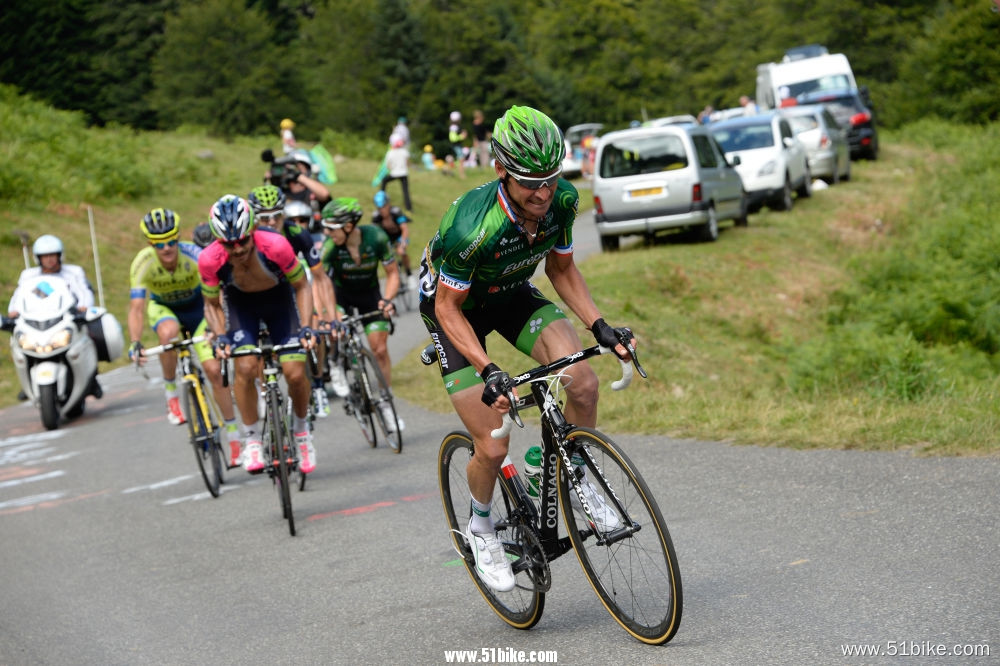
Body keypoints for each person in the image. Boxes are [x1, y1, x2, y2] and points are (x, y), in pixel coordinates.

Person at [417, 105, 637, 593]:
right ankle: (480, 528)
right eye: (528, 182)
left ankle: (577, 477)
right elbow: (449, 309)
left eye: (550, 179)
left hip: (511, 293)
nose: (542, 193)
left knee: (582, 380)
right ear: (500, 171)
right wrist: (489, 367)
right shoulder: (471, 228)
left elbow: (561, 271)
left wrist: (599, 325)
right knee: (493, 445)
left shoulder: (561, 201)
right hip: (455, 312)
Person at [198, 195, 318, 475]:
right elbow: (212, 304)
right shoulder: (209, 259)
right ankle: (251, 438)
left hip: (280, 303)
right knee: (246, 366)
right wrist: (220, 336)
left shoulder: (276, 244)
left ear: (252, 231)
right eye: (230, 244)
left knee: (295, 373)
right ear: (218, 242)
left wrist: (306, 326)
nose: (238, 249)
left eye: (243, 241)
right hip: (242, 308)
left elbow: (302, 286)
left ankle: (301, 432)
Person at [127, 209, 242, 462]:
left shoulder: (195, 255)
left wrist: (218, 329)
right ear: (150, 244)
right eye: (159, 244)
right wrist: (135, 341)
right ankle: (171, 395)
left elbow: (216, 296)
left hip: (198, 311)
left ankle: (234, 437)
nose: (167, 248)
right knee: (167, 334)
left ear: (179, 238)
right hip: (165, 309)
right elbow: (137, 307)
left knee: (214, 370)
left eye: (171, 241)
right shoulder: (143, 263)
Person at [247, 184, 339, 417]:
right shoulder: (249, 242)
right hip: (266, 295)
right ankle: (264, 391)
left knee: (315, 331)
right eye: (263, 218)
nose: (271, 223)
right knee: (260, 345)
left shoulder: (298, 234)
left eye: (277, 216)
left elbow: (319, 278)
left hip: (297, 290)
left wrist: (329, 314)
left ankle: (317, 384)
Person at [319, 198, 402, 430]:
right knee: (336, 330)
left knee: (380, 348)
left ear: (348, 226)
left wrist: (387, 300)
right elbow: (321, 282)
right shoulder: (329, 246)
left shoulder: (376, 237)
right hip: (340, 296)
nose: (327, 233)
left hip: (369, 294)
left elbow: (393, 273)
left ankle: (385, 401)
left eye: (331, 228)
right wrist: (330, 313)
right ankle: (335, 361)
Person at [7, 234, 102, 400]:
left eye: (53, 255)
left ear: (60, 256)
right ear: (39, 258)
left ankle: (91, 379)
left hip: (64, 320)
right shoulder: (28, 276)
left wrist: (84, 307)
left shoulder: (72, 273)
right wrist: (13, 311)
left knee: (89, 335)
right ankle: (28, 383)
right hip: (36, 322)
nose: (50, 260)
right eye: (45, 256)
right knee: (19, 344)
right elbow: (17, 298)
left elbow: (84, 292)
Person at [371, 191, 415, 291]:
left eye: (384, 207)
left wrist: (403, 243)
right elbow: (373, 233)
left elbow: (404, 229)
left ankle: (409, 275)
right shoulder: (376, 216)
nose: (382, 211)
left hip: (400, 236)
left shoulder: (396, 212)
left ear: (388, 204)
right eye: (379, 208)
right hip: (388, 238)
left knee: (401, 252)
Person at [379, 139, 412, 212]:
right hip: (403, 174)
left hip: (394, 173)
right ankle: (409, 208)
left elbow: (388, 166)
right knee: (405, 191)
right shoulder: (404, 152)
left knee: (384, 181)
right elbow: (407, 163)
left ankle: (380, 198)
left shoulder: (390, 152)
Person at [448, 111, 468, 179]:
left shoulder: (454, 126)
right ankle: (462, 175)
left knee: (458, 160)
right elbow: (452, 138)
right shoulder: (454, 127)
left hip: (456, 145)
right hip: (456, 145)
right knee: (461, 159)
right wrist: (462, 136)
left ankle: (447, 170)